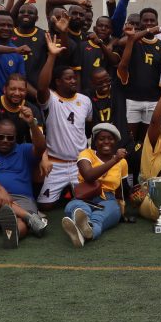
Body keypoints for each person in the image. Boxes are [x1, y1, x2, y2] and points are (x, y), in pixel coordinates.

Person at [0, 107, 50, 248]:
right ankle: (31, 218)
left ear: (15, 137)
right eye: (0, 137)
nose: (5, 141)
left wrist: (32, 123)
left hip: (22, 199)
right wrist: (1, 190)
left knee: (19, 223)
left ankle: (12, 235)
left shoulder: (24, 149)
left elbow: (40, 147)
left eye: (10, 137)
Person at [36, 35, 93, 209]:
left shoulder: (85, 100)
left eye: (74, 77)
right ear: (58, 82)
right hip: (56, 164)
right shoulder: (51, 99)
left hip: (79, 164)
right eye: (68, 78)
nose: (73, 80)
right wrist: (52, 56)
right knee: (45, 206)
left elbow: (88, 125)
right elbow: (41, 87)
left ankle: (70, 192)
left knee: (88, 201)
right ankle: (66, 193)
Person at [61, 122, 129, 248]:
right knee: (76, 208)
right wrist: (115, 160)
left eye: (110, 139)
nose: (106, 142)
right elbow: (89, 176)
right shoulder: (87, 154)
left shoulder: (123, 162)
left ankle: (85, 230)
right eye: (101, 139)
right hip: (85, 197)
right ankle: (85, 226)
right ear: (95, 141)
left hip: (108, 199)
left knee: (101, 216)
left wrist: (122, 210)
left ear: (116, 142)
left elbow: (121, 188)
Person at [117, 20, 161, 143]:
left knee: (147, 141)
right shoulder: (134, 42)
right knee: (129, 139)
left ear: (157, 22)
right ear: (140, 24)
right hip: (132, 100)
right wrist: (146, 32)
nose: (148, 23)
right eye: (145, 20)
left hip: (153, 101)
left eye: (152, 20)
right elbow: (121, 43)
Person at [0, 72, 45, 148]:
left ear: (26, 91)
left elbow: (40, 146)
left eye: (21, 90)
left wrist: (32, 123)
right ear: (5, 89)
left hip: (16, 154)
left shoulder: (32, 110)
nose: (17, 93)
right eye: (13, 89)